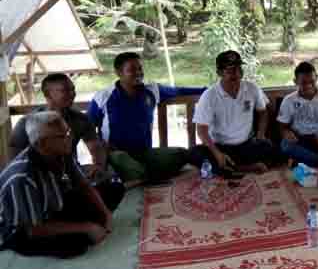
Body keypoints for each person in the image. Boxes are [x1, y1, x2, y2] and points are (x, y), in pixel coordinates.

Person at [0, 112, 117, 258]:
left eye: (68, 132)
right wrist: (87, 227)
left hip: (52, 207)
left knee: (113, 189)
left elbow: (84, 186)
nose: (69, 138)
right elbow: (33, 229)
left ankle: (84, 225)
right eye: (62, 136)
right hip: (22, 229)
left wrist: (105, 214)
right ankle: (83, 228)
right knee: (75, 246)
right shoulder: (22, 177)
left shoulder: (62, 153)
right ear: (41, 143)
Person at [87, 52, 206, 187]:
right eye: (132, 69)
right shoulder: (104, 96)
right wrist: (101, 146)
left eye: (140, 68)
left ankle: (142, 177)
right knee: (125, 162)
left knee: (183, 154)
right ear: (119, 72)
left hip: (145, 154)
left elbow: (180, 91)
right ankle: (145, 177)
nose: (138, 73)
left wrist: (210, 90)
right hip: (117, 155)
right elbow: (88, 127)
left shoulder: (152, 91)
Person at [9, 73, 125, 207]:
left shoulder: (80, 119)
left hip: (71, 173)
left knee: (114, 188)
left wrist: (98, 165)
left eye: (73, 89)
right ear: (48, 95)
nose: (72, 94)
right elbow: (14, 154)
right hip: (41, 179)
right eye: (65, 90)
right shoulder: (28, 122)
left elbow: (95, 146)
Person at [187, 50, 276, 177]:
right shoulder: (209, 96)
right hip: (220, 147)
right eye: (230, 70)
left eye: (239, 68)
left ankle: (228, 168)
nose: (237, 73)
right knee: (193, 153)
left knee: (268, 147)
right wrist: (217, 154)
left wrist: (261, 134)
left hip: (246, 145)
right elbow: (201, 130)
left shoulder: (251, 88)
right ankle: (244, 167)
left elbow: (262, 112)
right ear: (219, 73)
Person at [278, 62, 318, 178]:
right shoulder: (289, 100)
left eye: (312, 82)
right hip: (301, 139)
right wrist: (286, 133)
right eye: (303, 83)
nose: (308, 86)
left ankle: (306, 161)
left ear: (317, 78)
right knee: (285, 145)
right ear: (295, 81)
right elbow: (282, 126)